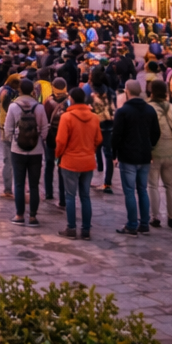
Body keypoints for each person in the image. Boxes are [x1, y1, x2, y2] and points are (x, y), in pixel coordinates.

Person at [111, 79, 160, 236]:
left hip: (128, 156)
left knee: (130, 191)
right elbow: (156, 133)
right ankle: (144, 223)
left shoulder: (123, 111)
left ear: (127, 91)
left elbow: (116, 135)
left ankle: (132, 224)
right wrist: (149, 145)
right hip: (144, 155)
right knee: (143, 190)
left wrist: (114, 154)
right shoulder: (150, 110)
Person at [55, 85, 101, 239]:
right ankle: (86, 230)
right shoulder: (94, 117)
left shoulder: (66, 117)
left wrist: (58, 156)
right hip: (87, 161)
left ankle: (72, 228)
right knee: (85, 196)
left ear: (72, 100)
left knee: (70, 196)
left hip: (70, 161)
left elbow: (61, 141)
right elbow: (98, 139)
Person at [4, 78, 48, 225]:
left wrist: (15, 140)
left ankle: (19, 215)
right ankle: (33, 216)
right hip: (36, 151)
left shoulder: (13, 106)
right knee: (34, 185)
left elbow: (7, 129)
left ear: (20, 90)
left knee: (19, 183)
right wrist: (39, 140)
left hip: (18, 150)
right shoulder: (39, 107)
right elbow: (45, 128)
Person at [147, 79, 172, 229]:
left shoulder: (148, 108)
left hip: (154, 150)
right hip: (170, 150)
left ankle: (156, 218)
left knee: (153, 185)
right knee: (169, 185)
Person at [43, 77, 69, 208]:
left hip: (51, 139)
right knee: (61, 169)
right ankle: (63, 199)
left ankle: (48, 192)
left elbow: (43, 119)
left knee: (48, 165)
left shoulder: (48, 101)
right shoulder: (69, 102)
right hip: (65, 140)